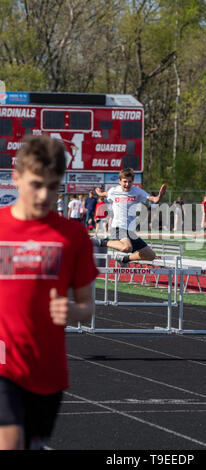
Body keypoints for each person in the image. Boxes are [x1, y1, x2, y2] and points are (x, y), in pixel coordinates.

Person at [0, 135, 98, 450]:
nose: (44, 195)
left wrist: (72, 311)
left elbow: (87, 307)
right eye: (36, 184)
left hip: (47, 370)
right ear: (16, 178)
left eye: (53, 186)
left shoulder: (73, 236)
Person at [94, 168, 166, 266]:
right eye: (125, 182)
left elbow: (154, 199)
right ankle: (101, 242)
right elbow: (105, 194)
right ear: (119, 181)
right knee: (127, 248)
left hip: (130, 231)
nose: (127, 184)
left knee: (150, 255)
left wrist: (159, 196)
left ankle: (125, 259)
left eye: (130, 182)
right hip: (118, 227)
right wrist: (99, 192)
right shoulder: (113, 191)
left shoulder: (137, 191)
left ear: (133, 181)